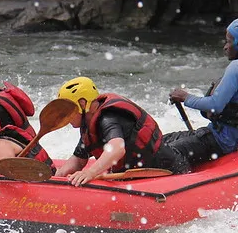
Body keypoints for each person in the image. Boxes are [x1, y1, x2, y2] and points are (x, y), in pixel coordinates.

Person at [164, 17, 238, 170]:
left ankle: (181, 181)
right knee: (162, 140)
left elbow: (215, 106)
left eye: (228, 42)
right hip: (225, 140)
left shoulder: (237, 67)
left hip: (217, 142)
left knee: (165, 153)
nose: (225, 47)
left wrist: (185, 97)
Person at [54, 77, 187, 186]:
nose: (64, 116)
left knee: (199, 141)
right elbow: (78, 160)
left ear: (83, 104)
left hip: (169, 169)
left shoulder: (108, 118)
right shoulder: (88, 123)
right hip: (137, 171)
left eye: (67, 110)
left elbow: (117, 148)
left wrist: (90, 172)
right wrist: (55, 178)